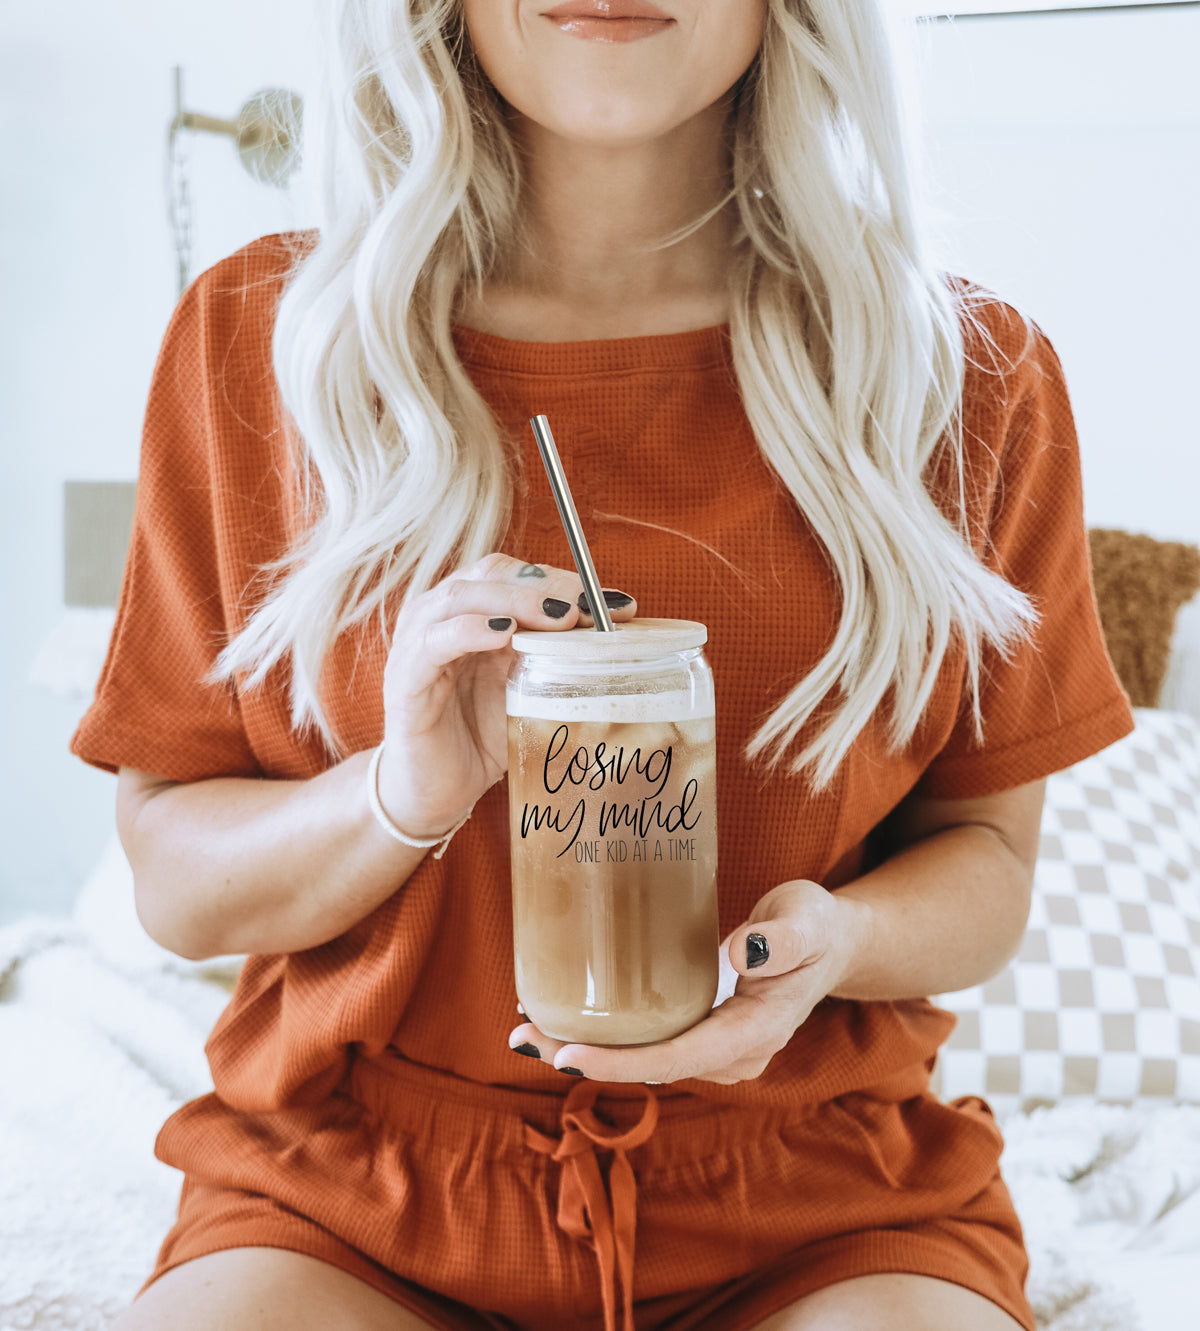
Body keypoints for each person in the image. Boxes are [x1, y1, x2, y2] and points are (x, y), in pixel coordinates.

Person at [72, 2, 1135, 1328]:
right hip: (348, 1196)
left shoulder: (963, 381)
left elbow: (990, 864)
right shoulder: (266, 345)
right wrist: (401, 795)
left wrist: (837, 940)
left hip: (816, 1202)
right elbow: (173, 881)